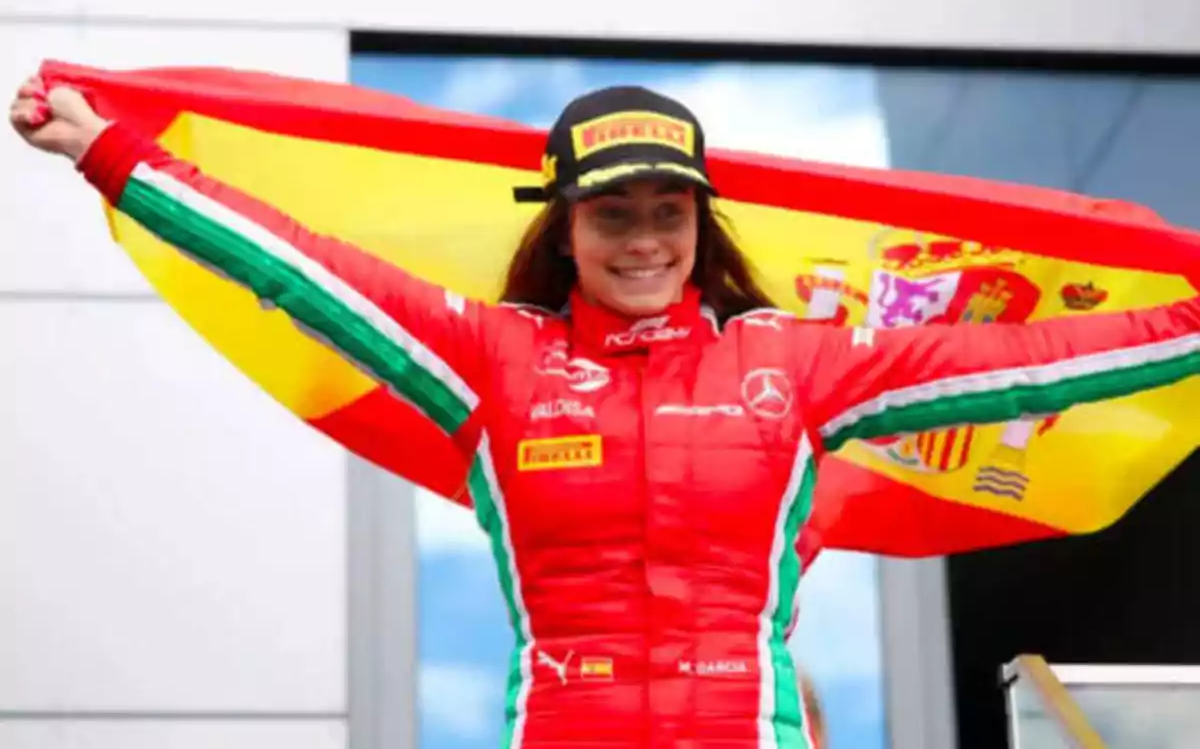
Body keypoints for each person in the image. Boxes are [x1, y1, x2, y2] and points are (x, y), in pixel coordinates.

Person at [9, 75, 1200, 749]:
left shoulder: (797, 362)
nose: (642, 239)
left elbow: (1036, 362)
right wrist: (115, 157)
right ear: (563, 222)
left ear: (700, 223)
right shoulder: (490, 354)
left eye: (665, 213)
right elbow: (298, 268)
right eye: (611, 214)